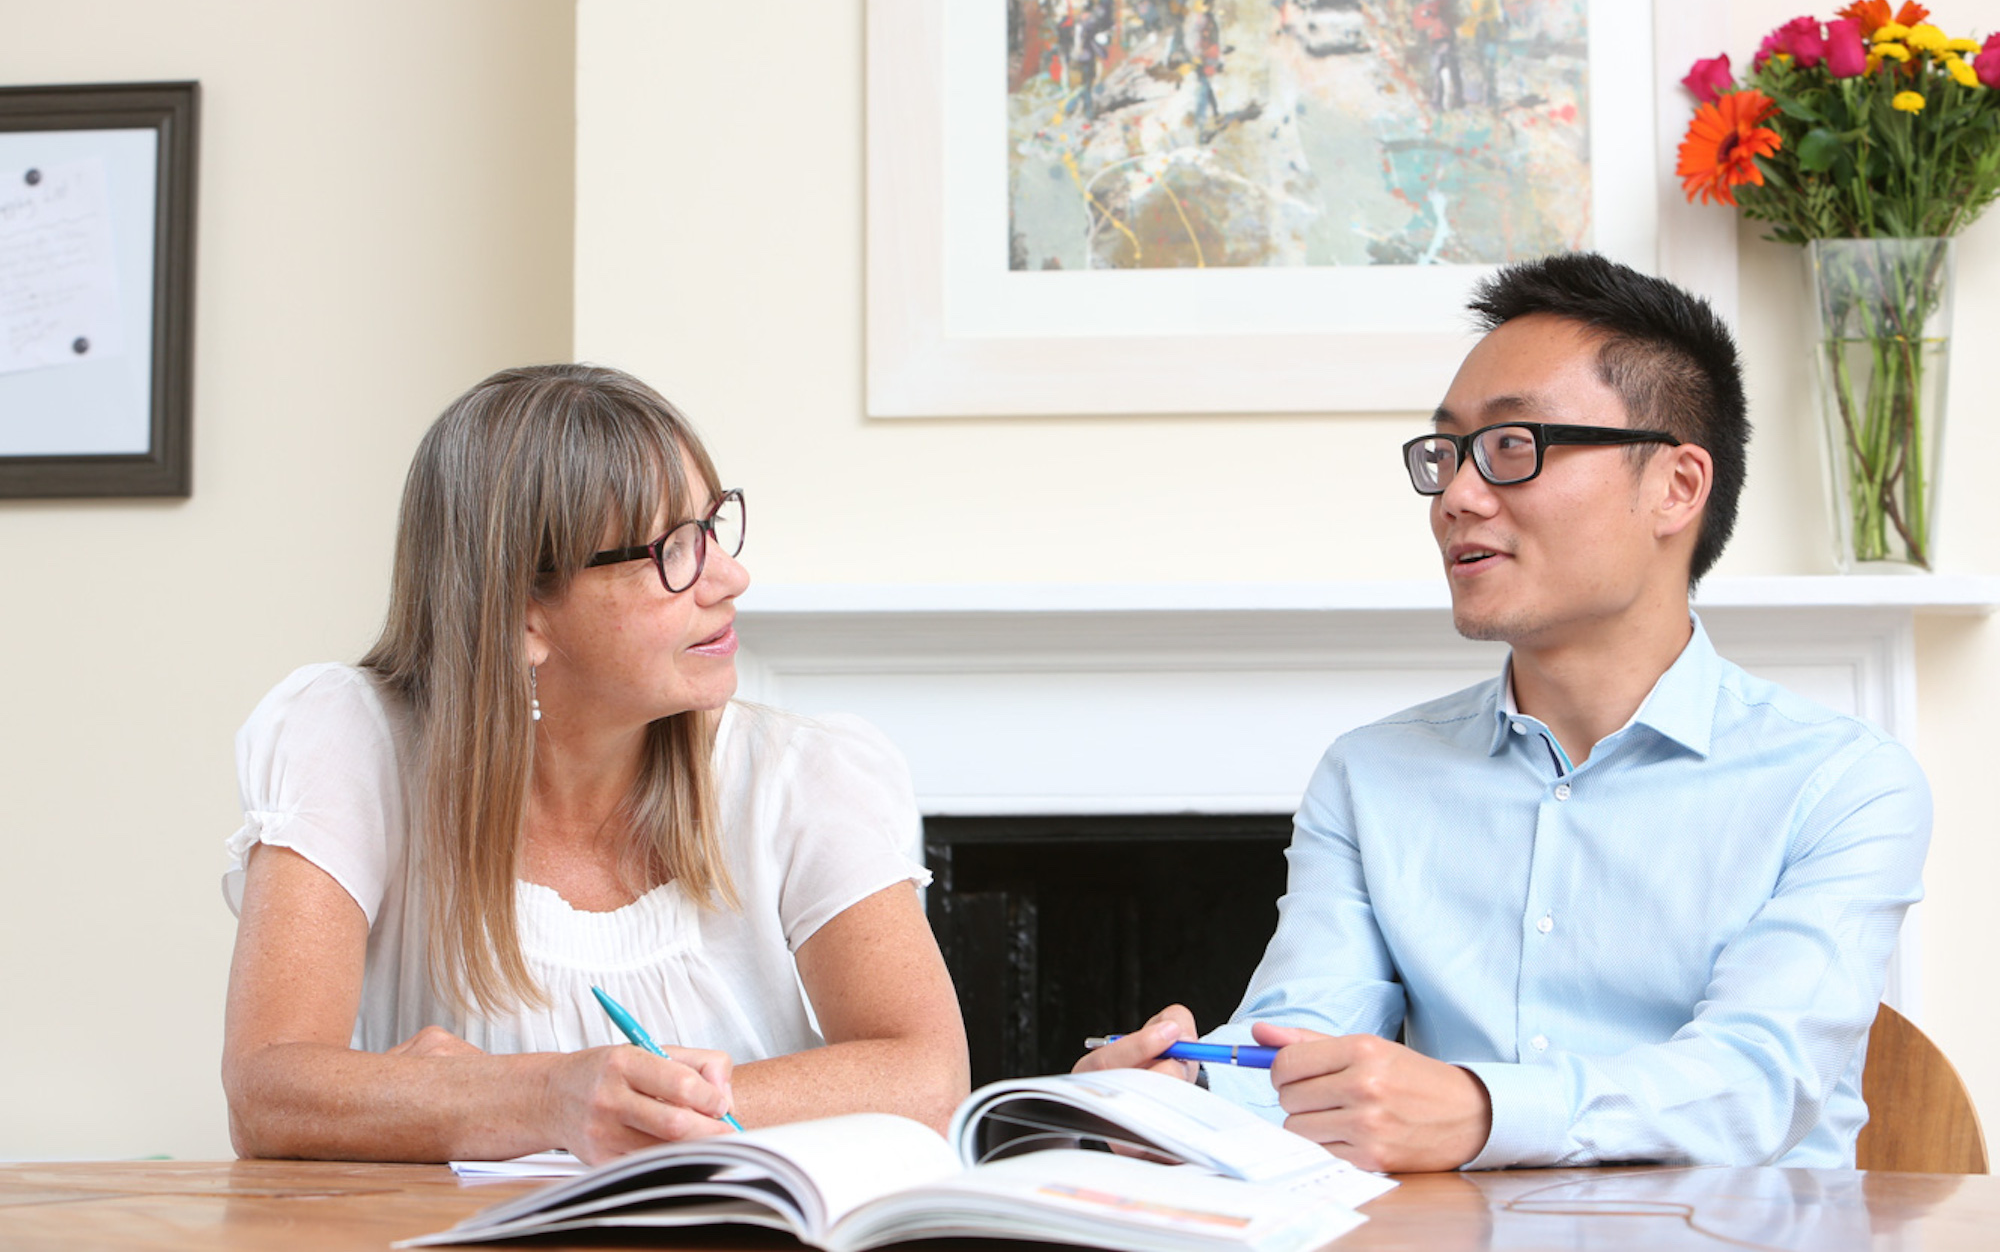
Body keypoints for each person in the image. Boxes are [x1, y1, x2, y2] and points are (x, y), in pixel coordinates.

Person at [1079, 253, 1930, 1172]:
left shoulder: (1841, 783)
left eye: (1513, 446)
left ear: (1678, 486)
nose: (1456, 497)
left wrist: (1483, 1108)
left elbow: (1755, 1081)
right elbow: (1302, 1035)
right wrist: (1182, 1095)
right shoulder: (1370, 774)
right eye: (1447, 453)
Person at [222, 364, 968, 1163]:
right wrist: (549, 1095)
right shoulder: (351, 742)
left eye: (713, 525)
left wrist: (620, 1107)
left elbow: (929, 1077)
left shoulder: (801, 775)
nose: (730, 576)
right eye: (671, 550)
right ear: (522, 615)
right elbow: (267, 1092)